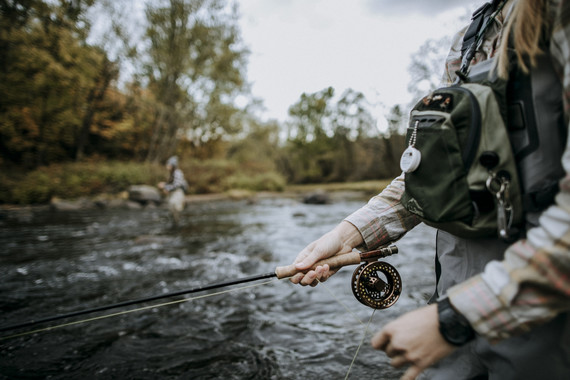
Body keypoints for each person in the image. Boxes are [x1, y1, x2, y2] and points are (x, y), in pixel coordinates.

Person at [290, 1, 570, 379]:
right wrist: (347, 236)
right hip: (453, 328)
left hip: (540, 337)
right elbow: (436, 177)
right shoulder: (468, 39)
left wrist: (458, 318)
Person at [158, 156, 188, 226]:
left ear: (172, 165)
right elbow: (172, 184)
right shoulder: (172, 173)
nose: (167, 166)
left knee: (175, 208)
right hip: (174, 194)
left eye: (168, 164)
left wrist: (165, 186)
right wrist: (165, 186)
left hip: (178, 194)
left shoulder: (177, 172)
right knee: (172, 209)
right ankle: (176, 225)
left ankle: (178, 225)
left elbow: (177, 184)